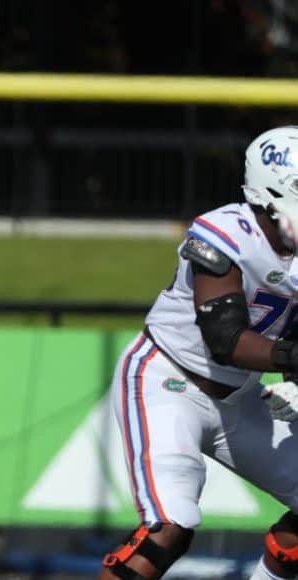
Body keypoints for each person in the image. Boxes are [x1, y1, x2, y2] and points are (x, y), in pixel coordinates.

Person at [99, 126, 298, 580]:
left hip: (239, 398)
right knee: (167, 529)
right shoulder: (227, 231)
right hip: (166, 381)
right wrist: (292, 361)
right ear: (272, 190)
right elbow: (225, 339)